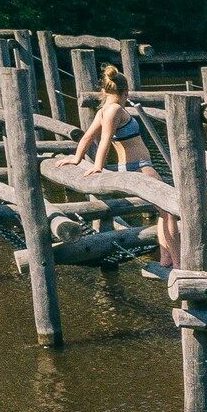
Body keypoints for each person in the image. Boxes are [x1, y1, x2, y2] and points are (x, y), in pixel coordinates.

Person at [71, 64, 177, 269]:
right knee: (169, 211)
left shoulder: (103, 111)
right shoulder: (116, 109)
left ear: (104, 91)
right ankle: (179, 262)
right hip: (139, 166)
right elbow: (104, 139)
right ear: (125, 92)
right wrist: (99, 166)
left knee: (163, 212)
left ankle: (166, 258)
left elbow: (86, 137)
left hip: (132, 165)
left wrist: (76, 159)